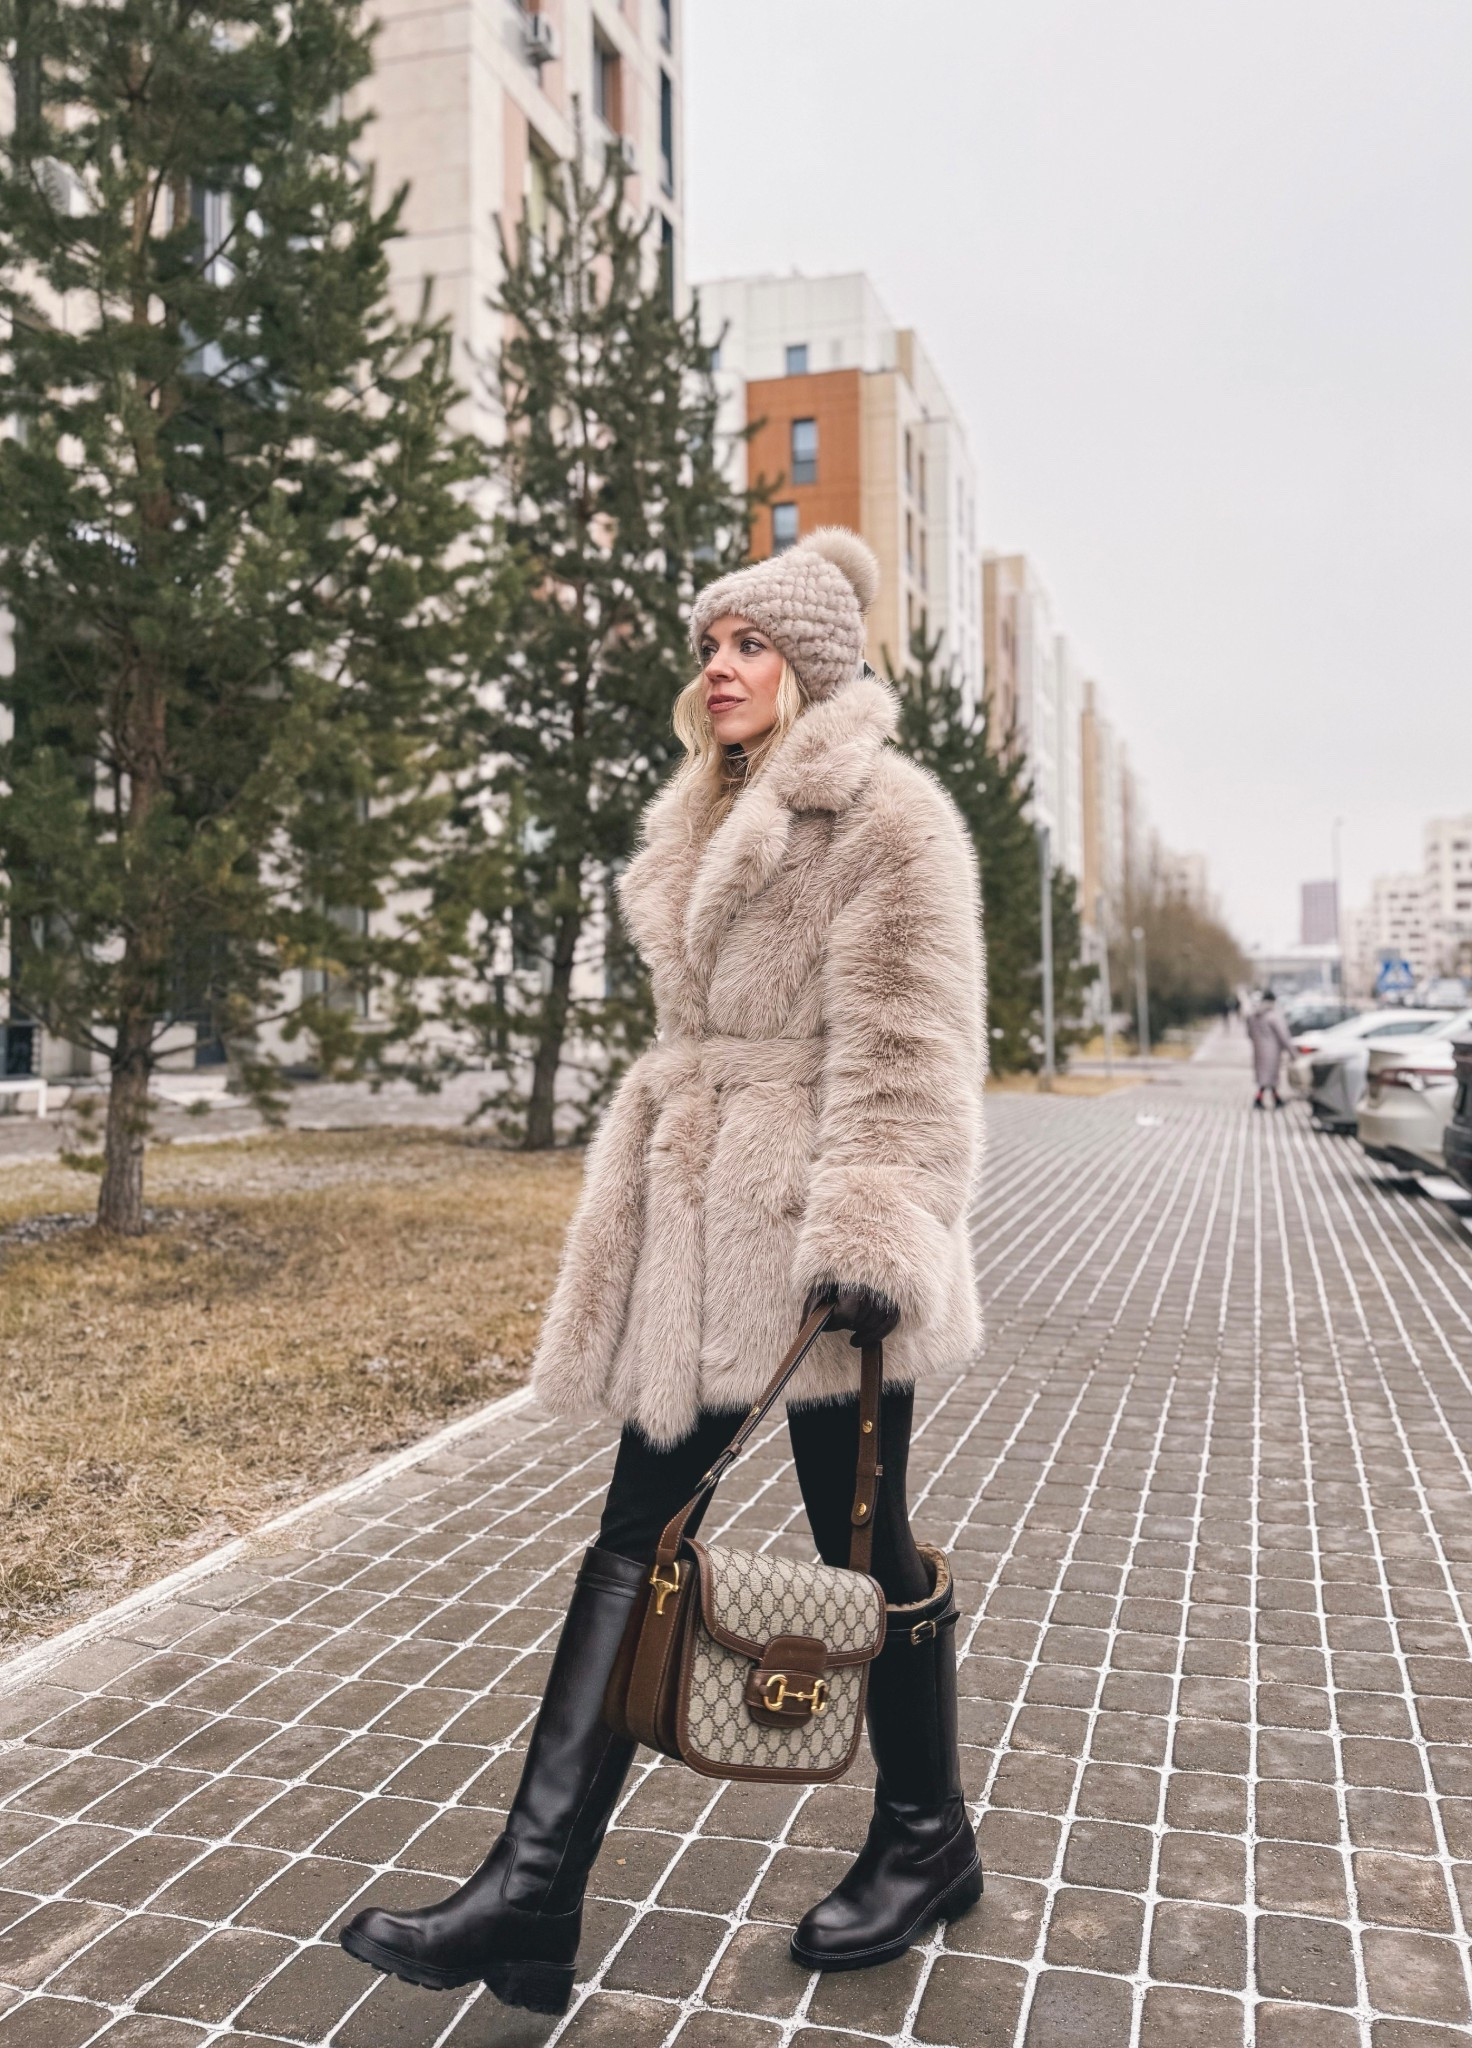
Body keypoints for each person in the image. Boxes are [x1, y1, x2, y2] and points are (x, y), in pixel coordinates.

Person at [339, 528, 988, 2012]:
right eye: (711, 641)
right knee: (660, 1535)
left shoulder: (887, 819)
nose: (719, 665)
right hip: (706, 1224)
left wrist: (874, 1233)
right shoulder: (709, 812)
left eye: (750, 642)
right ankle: (541, 1895)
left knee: (856, 1548)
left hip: (818, 1236)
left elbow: (912, 1045)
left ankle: (910, 1836)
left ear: (812, 664)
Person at [1247, 988, 1294, 1107]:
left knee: (1264, 1076)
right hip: (1272, 1050)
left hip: (1258, 1049)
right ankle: (1269, 1099)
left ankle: (1271, 1098)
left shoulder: (1254, 1015)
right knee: (1271, 1075)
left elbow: (1249, 1033)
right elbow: (1283, 1035)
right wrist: (1292, 1052)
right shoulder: (1274, 1016)